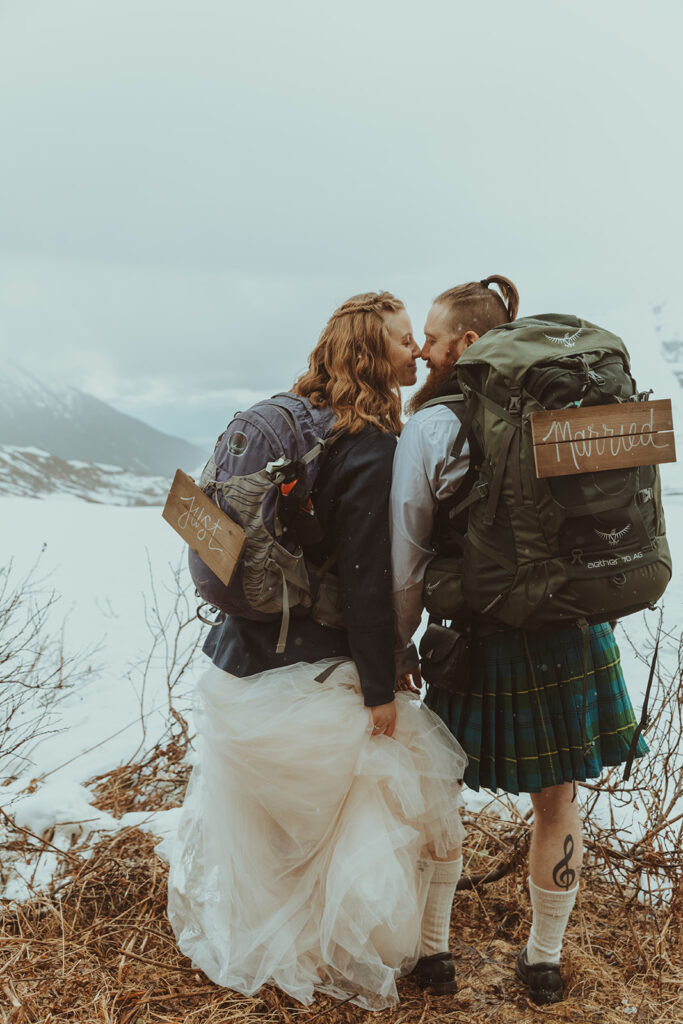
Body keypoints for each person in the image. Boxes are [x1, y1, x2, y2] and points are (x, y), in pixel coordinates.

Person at [167, 291, 468, 1011]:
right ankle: (326, 952)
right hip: (313, 663)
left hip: (240, 658)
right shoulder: (368, 447)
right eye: (402, 341)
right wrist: (377, 688)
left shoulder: (286, 420)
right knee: (348, 814)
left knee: (272, 820)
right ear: (370, 354)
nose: (414, 353)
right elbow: (366, 580)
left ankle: (273, 943)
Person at [390, 275, 648, 1006]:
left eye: (435, 343)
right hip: (572, 623)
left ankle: (434, 954)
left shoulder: (435, 425)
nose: (426, 356)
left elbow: (405, 551)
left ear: (468, 343)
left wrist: (398, 645)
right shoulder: (566, 407)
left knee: (439, 792)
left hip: (480, 631)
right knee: (556, 800)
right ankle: (542, 962)